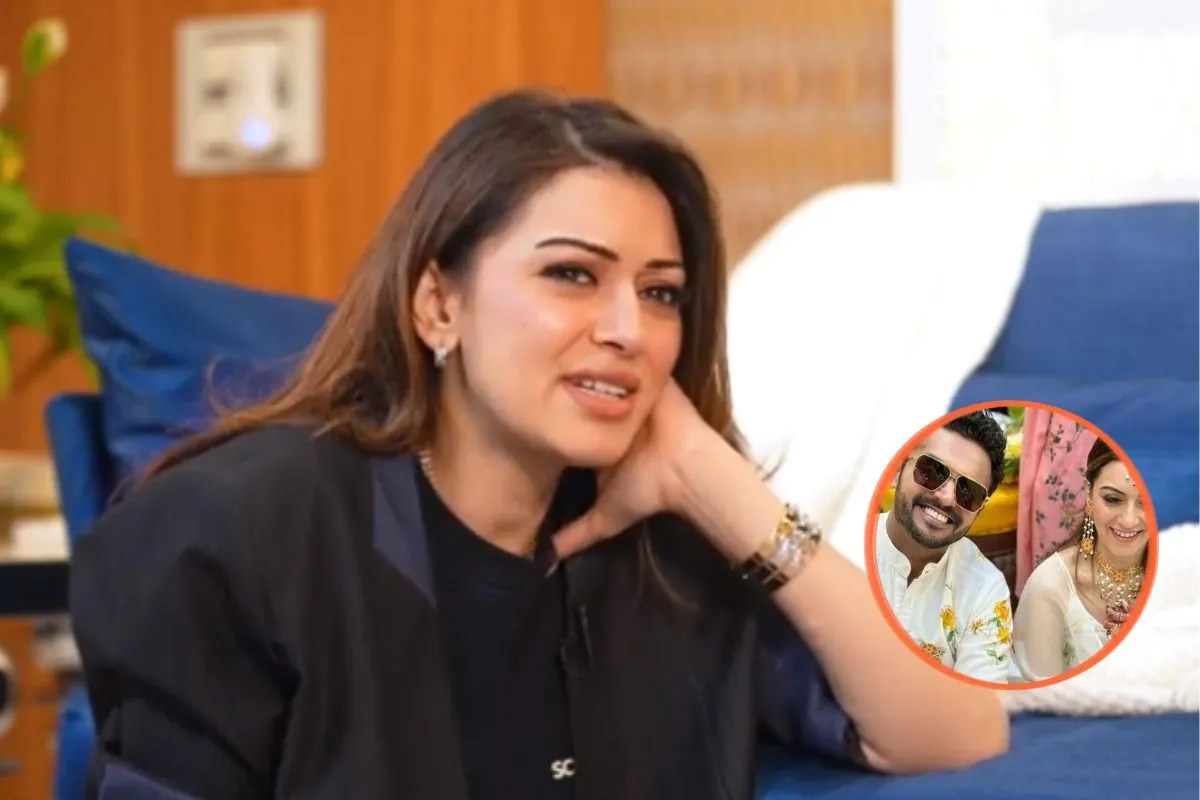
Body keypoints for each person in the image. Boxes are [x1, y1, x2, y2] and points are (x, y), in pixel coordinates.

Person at [70, 90, 1008, 800]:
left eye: (661, 293)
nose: (628, 330)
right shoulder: (236, 531)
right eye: (572, 275)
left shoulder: (673, 550)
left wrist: (716, 482)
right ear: (439, 304)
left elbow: (955, 731)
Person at [875, 411, 1013, 683]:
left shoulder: (985, 590)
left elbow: (978, 701)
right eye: (932, 472)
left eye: (968, 492)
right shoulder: (839, 543)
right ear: (896, 469)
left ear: (980, 510)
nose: (947, 497)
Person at [1012, 437, 1149, 682]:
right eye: (1113, 499)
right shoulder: (1051, 587)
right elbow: (1043, 700)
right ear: (1088, 492)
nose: (1129, 520)